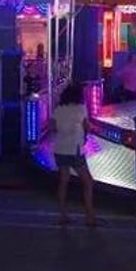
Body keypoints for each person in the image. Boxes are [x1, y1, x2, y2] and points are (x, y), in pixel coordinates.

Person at [48, 82, 97, 227]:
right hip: (74, 149)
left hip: (60, 150)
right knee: (88, 182)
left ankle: (62, 215)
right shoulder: (81, 108)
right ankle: (89, 215)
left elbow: (52, 127)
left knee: (63, 181)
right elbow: (87, 126)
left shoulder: (58, 109)